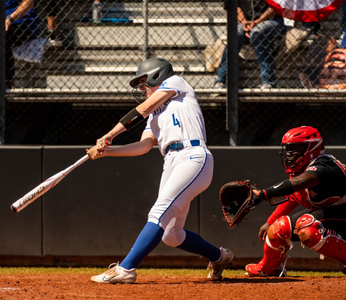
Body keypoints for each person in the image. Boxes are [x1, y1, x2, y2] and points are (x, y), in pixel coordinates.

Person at [86, 57, 234, 284]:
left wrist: (109, 134)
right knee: (171, 235)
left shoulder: (177, 83)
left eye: (145, 82)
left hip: (193, 156)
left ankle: (126, 269)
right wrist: (108, 151)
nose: (142, 89)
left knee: (158, 212)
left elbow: (142, 109)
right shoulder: (155, 116)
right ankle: (219, 257)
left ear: (158, 75)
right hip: (171, 161)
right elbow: (144, 146)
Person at [244, 126, 346, 277]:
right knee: (278, 228)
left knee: (308, 228)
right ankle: (268, 268)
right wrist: (269, 222)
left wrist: (264, 193)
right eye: (288, 148)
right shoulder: (302, 170)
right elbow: (295, 196)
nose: (289, 154)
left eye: (296, 148)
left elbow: (298, 184)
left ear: (313, 147)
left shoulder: (325, 166)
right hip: (336, 215)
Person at [214, 0, 285, 90]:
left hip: (271, 20)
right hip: (245, 21)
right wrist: (244, 23)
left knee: (257, 32)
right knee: (235, 34)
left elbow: (275, 7)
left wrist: (256, 22)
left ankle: (268, 81)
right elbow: (235, 6)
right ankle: (220, 80)